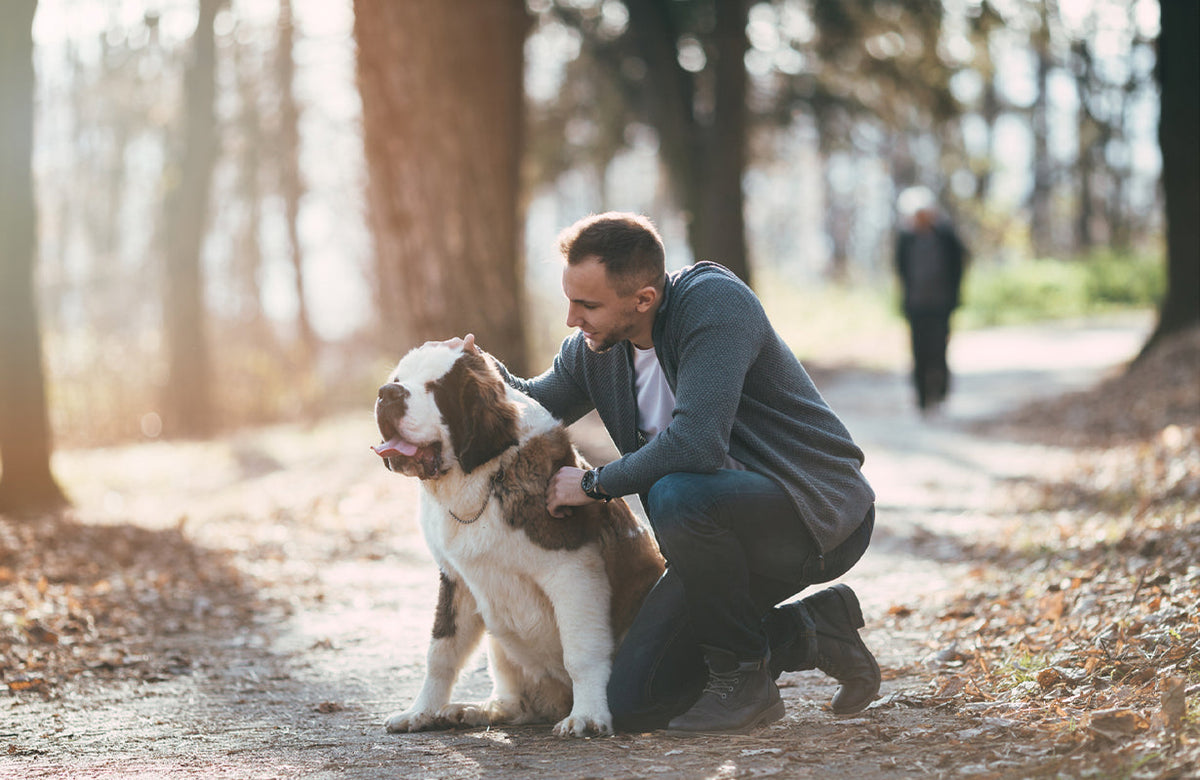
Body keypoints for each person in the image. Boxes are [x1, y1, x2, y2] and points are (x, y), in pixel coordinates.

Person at [463, 212, 879, 734]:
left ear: (643, 299)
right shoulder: (595, 350)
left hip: (813, 519)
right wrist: (477, 368)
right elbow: (531, 409)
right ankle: (811, 631)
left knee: (676, 491)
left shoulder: (714, 305)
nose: (572, 319)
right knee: (633, 701)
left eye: (587, 305)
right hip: (711, 541)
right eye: (569, 300)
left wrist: (594, 485)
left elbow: (697, 445)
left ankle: (744, 682)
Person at [893, 187, 967, 413]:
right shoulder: (905, 239)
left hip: (941, 304)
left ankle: (941, 393)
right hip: (916, 305)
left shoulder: (946, 236)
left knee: (939, 348)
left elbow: (959, 265)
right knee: (918, 350)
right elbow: (900, 270)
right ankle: (922, 397)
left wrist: (955, 296)